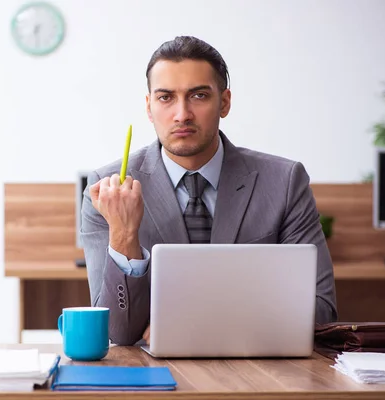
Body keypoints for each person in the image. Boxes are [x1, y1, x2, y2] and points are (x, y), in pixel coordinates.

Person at [80, 36, 338, 346]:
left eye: (199, 95)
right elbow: (116, 332)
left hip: (256, 375)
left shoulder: (284, 182)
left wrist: (189, 325)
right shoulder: (105, 190)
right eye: (165, 98)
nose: (182, 114)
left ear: (224, 102)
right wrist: (123, 236)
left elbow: (321, 310)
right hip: (155, 380)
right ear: (149, 107)